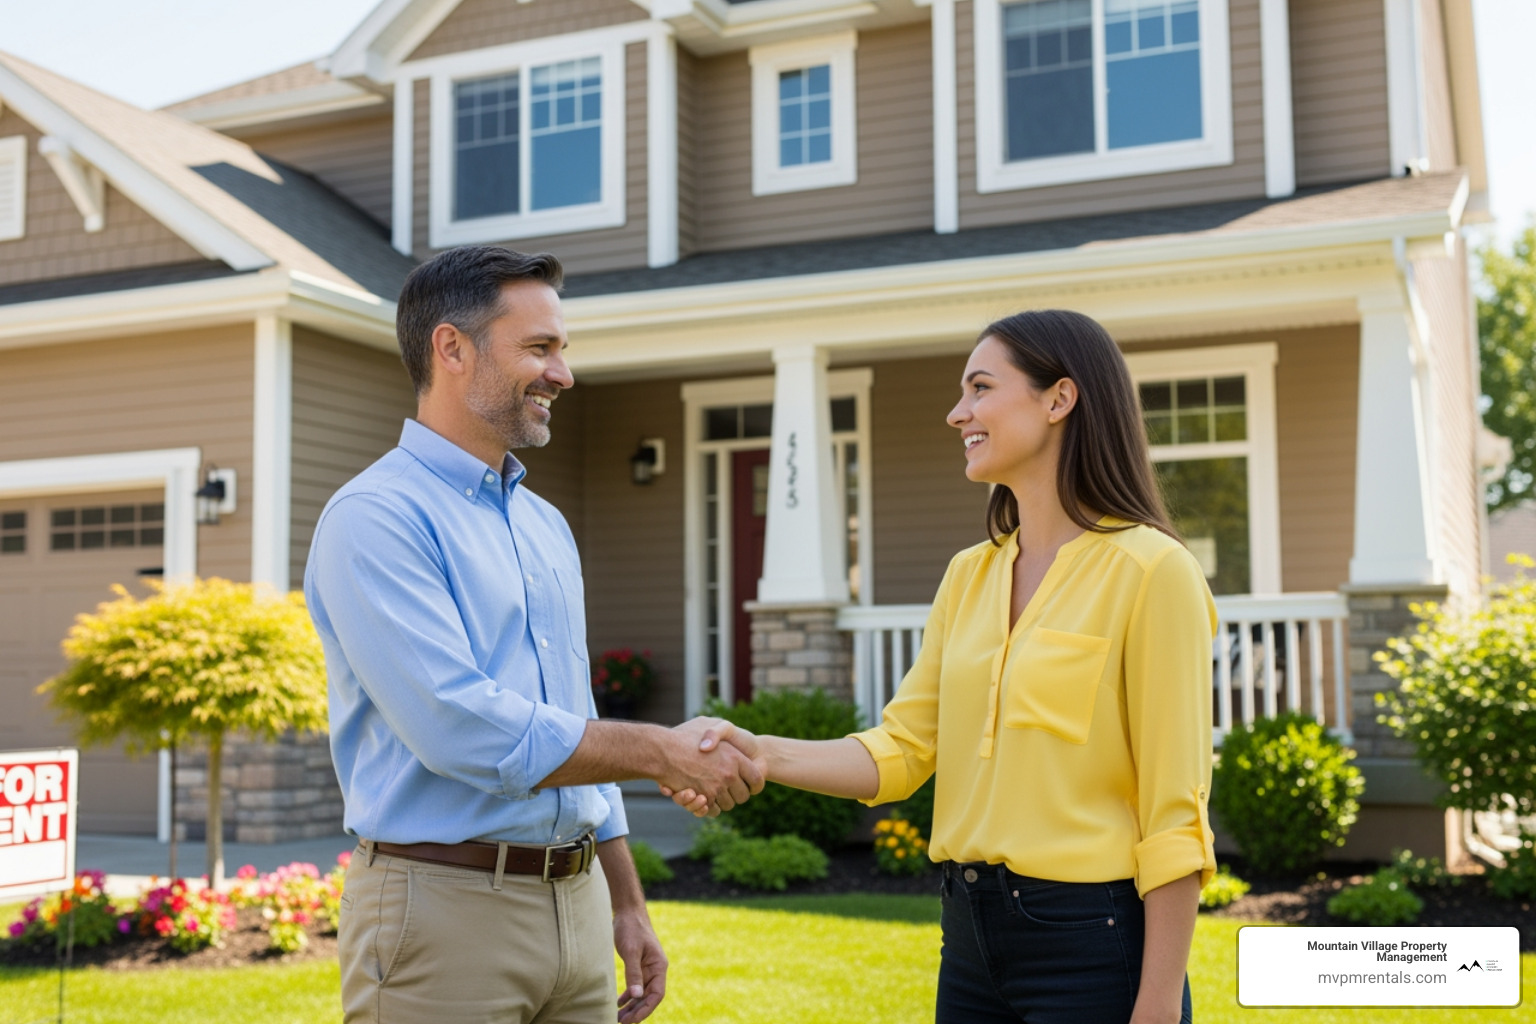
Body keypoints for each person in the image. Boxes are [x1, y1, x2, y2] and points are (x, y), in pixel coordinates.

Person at [671, 309, 1217, 1023]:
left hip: (1091, 941)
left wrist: (1156, 1004)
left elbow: (1175, 815)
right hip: (967, 939)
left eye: (981, 388)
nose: (959, 413)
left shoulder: (1153, 571)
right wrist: (760, 752)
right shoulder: (970, 575)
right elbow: (902, 751)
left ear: (1060, 399)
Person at [304, 245, 763, 1024]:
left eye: (563, 350)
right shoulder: (375, 518)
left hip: (576, 911)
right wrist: (659, 750)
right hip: (442, 917)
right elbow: (460, 726)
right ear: (452, 347)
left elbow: (569, 712)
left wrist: (625, 902)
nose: (564, 374)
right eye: (539, 348)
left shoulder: (544, 523)